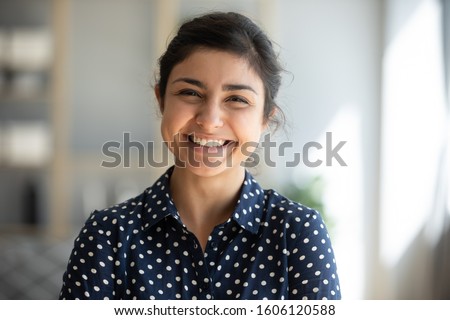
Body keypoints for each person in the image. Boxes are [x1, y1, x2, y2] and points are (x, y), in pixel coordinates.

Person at [59, 11, 341, 300]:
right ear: (161, 99)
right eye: (191, 93)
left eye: (237, 99)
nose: (209, 120)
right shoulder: (108, 235)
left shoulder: (297, 232)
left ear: (265, 118)